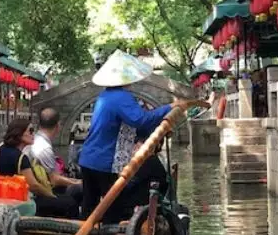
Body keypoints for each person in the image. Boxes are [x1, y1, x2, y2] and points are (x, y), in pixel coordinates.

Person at [78, 49, 206, 222]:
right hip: (103, 161)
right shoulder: (120, 97)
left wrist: (159, 129)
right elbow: (141, 120)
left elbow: (131, 128)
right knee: (112, 209)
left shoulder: (105, 96)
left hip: (88, 159)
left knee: (89, 207)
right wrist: (170, 107)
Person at [0, 119, 79, 218]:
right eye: (30, 131)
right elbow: (34, 186)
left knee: (63, 197)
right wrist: (51, 196)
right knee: (70, 203)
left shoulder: (2, 150)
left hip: (8, 195)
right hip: (23, 200)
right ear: (19, 134)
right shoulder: (21, 158)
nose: (33, 134)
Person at [25, 107, 82, 198]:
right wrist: (77, 182)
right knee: (80, 189)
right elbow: (54, 180)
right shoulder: (45, 147)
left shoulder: (37, 139)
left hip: (38, 185)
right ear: (58, 126)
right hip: (42, 192)